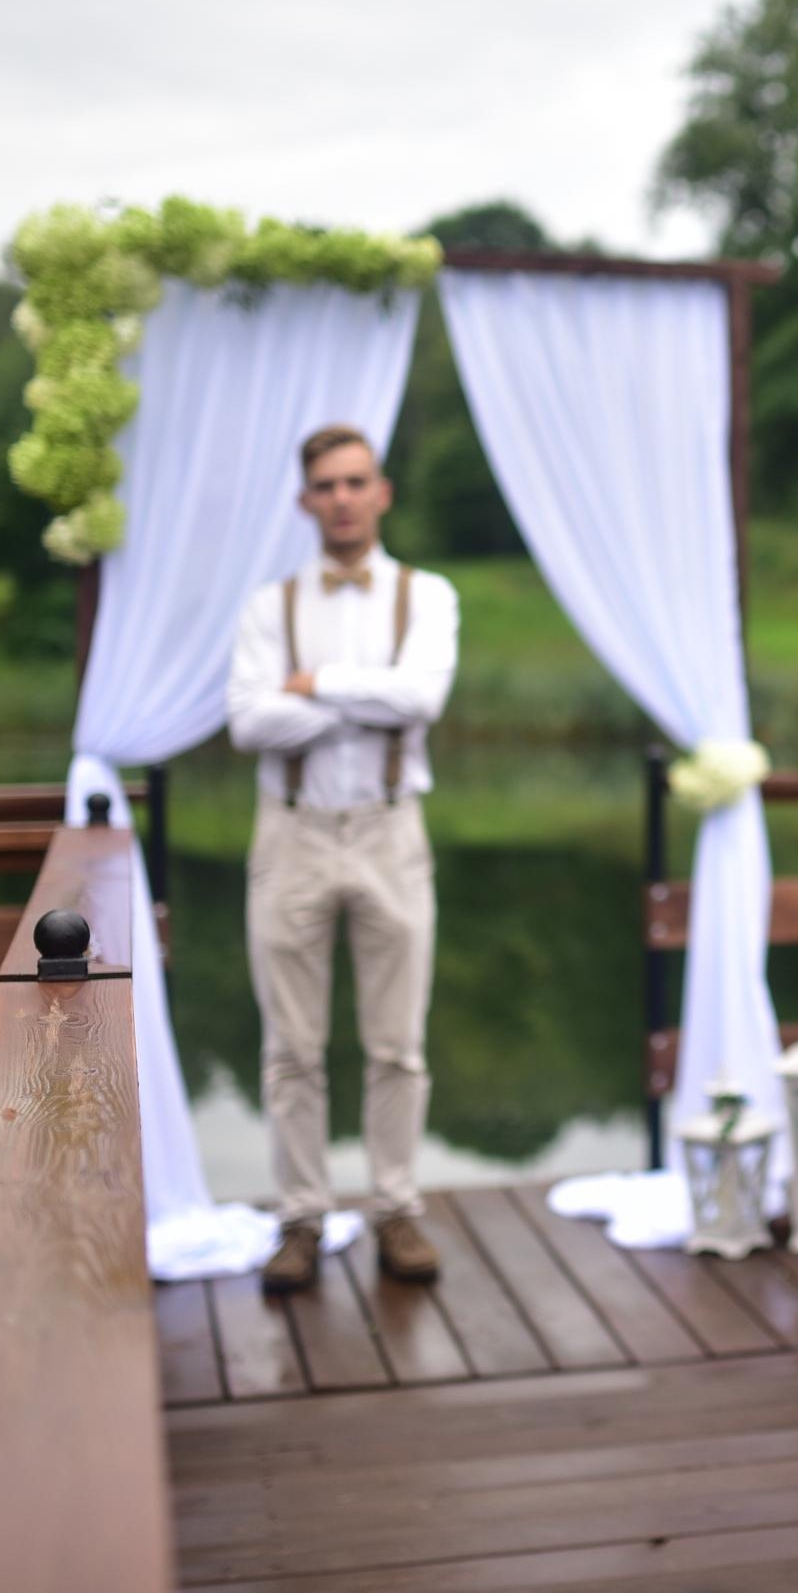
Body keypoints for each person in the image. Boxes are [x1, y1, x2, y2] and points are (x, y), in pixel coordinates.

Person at [227, 424, 461, 1294]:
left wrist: (313, 685)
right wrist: (371, 697)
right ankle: (300, 1217)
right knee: (292, 1046)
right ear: (305, 501)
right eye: (326, 484)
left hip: (391, 832)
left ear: (382, 492)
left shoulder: (426, 595)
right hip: (290, 834)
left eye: (356, 481)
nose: (342, 497)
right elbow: (250, 723)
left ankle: (396, 1209)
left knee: (398, 1044)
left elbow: (423, 697)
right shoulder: (267, 606)